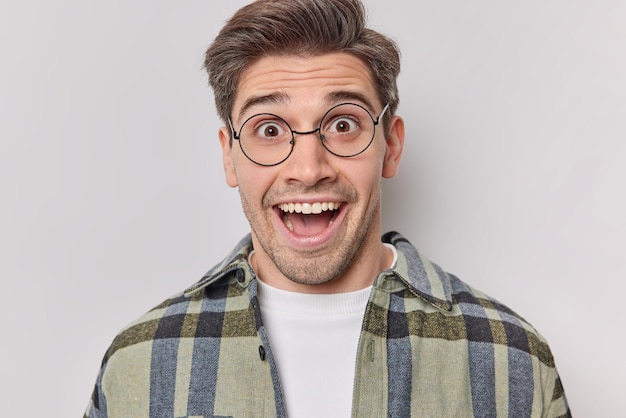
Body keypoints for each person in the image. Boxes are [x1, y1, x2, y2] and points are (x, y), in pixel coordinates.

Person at [84, 0, 571, 416]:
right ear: (229, 155)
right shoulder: (139, 365)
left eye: (342, 125)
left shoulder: (511, 361)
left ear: (391, 145)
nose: (309, 167)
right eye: (269, 130)